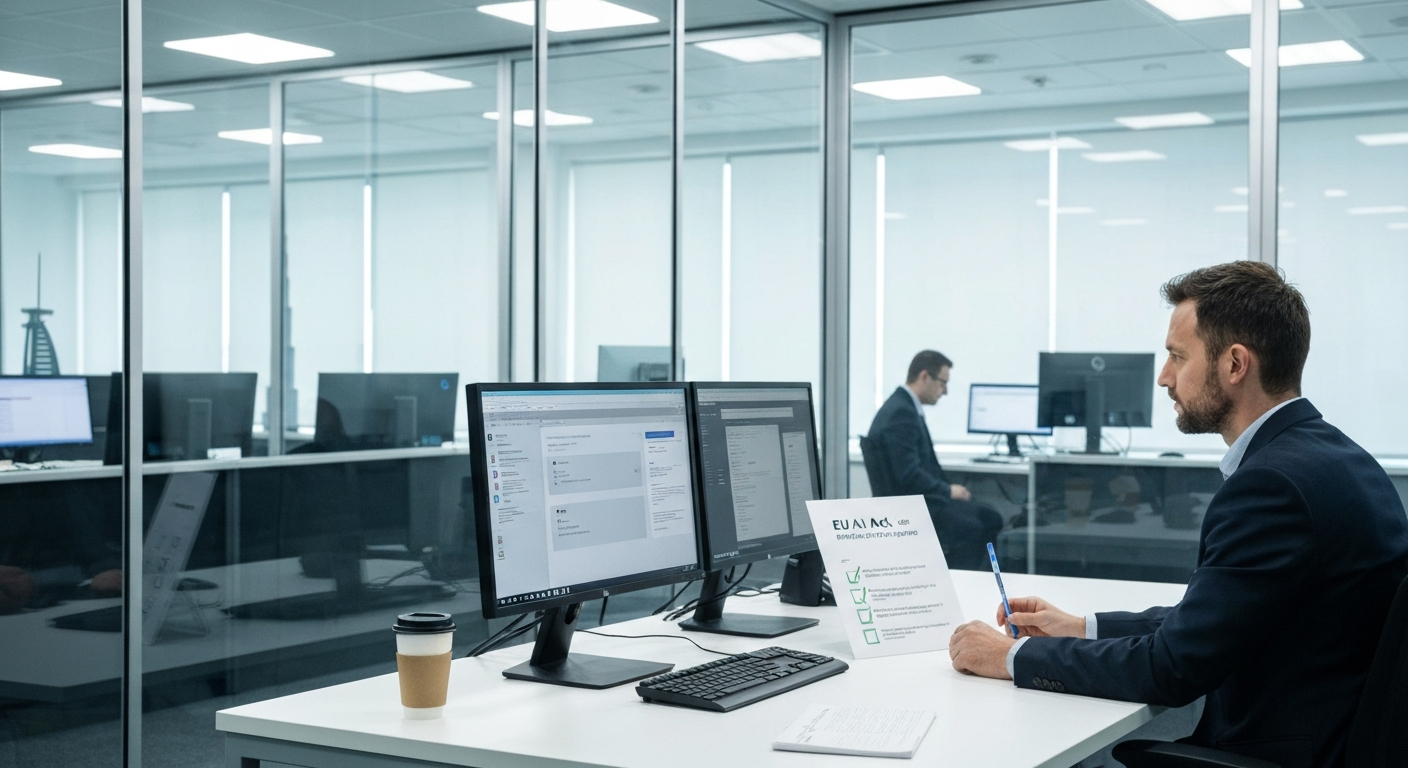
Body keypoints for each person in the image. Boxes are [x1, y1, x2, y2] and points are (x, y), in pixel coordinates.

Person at [948, 262, 1408, 768]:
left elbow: (1170, 668)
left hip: (1278, 754)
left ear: (1235, 364)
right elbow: (1217, 618)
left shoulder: (1271, 486)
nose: (1164, 377)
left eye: (1176, 356)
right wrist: (1081, 626)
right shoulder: (1338, 458)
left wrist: (1009, 657)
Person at [864, 350, 1003, 569]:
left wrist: (946, 488)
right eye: (942, 383)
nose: (945, 391)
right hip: (911, 509)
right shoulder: (901, 413)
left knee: (989, 515)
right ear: (924, 377)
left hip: (917, 501)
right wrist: (948, 490)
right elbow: (908, 474)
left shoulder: (904, 407)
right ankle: (963, 583)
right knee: (981, 523)